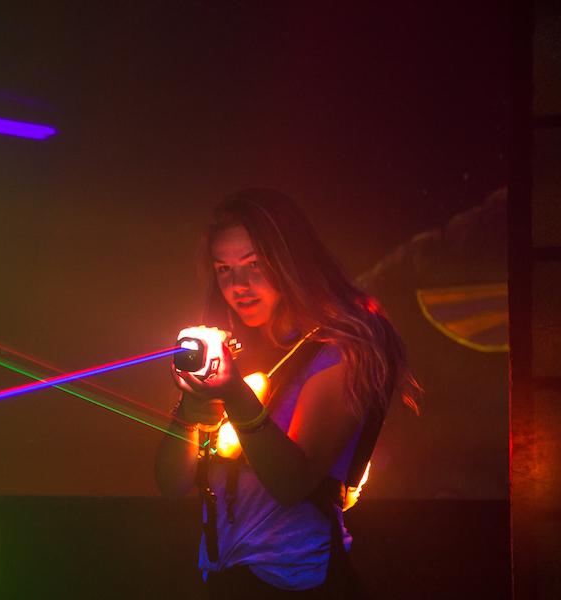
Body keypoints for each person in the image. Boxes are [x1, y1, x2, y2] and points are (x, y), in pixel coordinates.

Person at [170, 189, 419, 598]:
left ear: (289, 260)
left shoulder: (342, 347)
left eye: (255, 264)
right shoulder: (239, 348)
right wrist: (188, 407)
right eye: (224, 269)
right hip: (226, 577)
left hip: (301, 581)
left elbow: (291, 483)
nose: (239, 286)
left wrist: (233, 393)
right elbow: (172, 483)